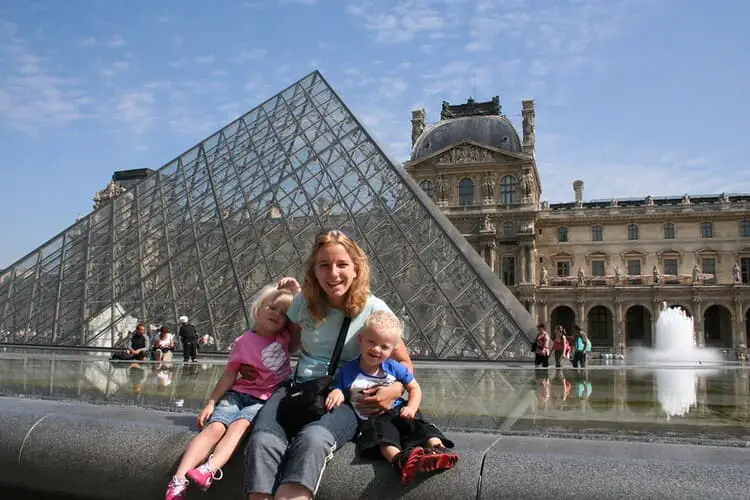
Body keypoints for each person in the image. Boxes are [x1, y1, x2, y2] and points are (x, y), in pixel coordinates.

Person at [244, 229, 414, 500]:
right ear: (314, 270)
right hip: (299, 390)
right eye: (324, 265)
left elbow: (403, 362)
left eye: (342, 264)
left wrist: (394, 390)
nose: (333, 273)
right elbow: (285, 345)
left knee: (312, 441)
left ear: (357, 269)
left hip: (344, 397)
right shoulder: (302, 304)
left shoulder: (375, 310)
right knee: (262, 441)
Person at [165, 285, 296, 500]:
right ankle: (178, 479)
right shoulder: (242, 342)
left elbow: (304, 318)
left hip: (262, 400)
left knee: (239, 427)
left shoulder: (286, 337)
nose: (277, 314)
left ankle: (209, 469)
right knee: (214, 428)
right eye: (272, 308)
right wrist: (211, 402)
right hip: (237, 394)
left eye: (284, 314)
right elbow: (228, 376)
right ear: (258, 310)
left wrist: (295, 292)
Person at [326, 311, 458, 485]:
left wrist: (411, 407)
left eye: (384, 346)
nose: (376, 349)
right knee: (383, 437)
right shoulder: (349, 370)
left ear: (393, 350)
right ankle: (400, 461)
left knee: (420, 425)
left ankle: (437, 449)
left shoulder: (394, 367)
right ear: (361, 339)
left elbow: (414, 388)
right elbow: (339, 388)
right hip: (373, 418)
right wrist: (336, 392)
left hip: (399, 410)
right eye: (371, 342)